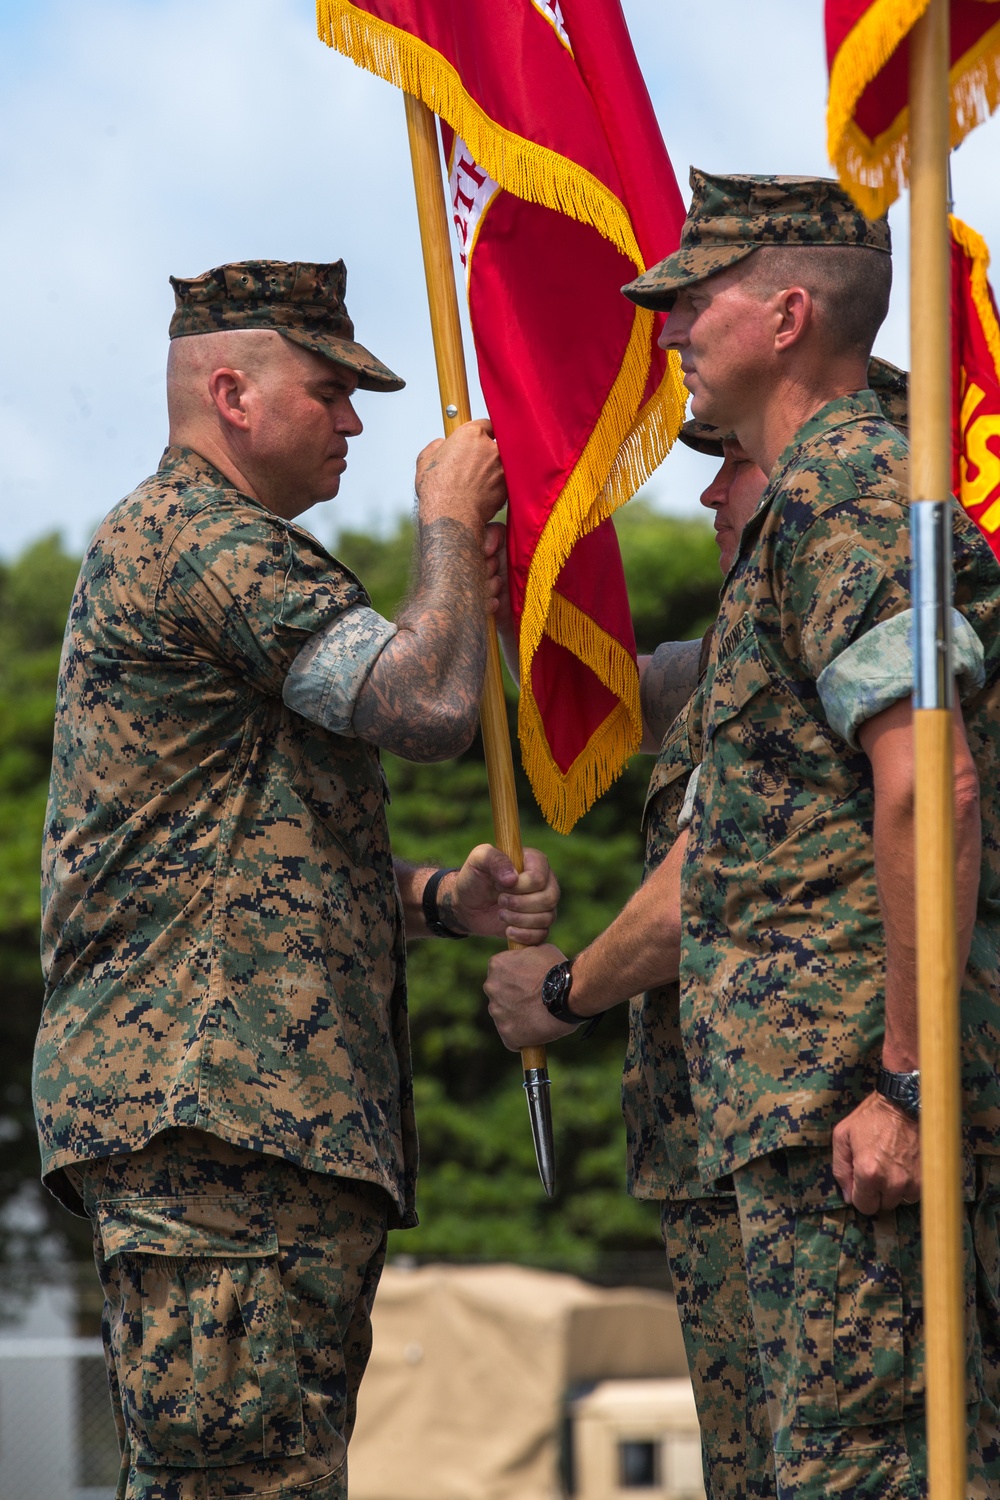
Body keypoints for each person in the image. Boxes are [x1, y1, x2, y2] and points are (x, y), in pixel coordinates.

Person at [487, 174, 1000, 1496]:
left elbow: (925, 779)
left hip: (855, 1108)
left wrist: (906, 1079)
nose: (666, 331)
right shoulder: (816, 497)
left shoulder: (853, 489)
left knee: (868, 1471)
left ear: (784, 315)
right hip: (804, 1112)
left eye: (691, 301)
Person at [33, 259, 560, 1500]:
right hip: (216, 1113)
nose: (357, 424)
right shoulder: (203, 542)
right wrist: (445, 519)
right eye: (330, 391)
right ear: (232, 393)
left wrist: (440, 900)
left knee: (263, 1473)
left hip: (245, 1121)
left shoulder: (203, 550)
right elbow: (426, 705)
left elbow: (241, 856)